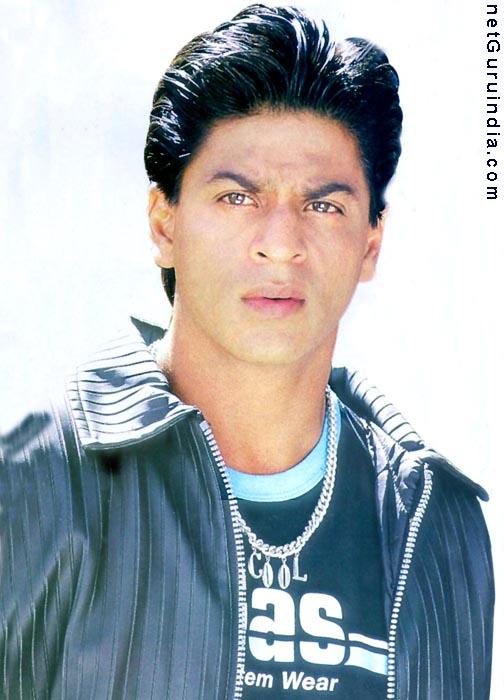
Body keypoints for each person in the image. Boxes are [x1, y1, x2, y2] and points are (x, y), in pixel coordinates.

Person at [0, 4, 494, 699]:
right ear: (164, 224)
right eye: (237, 198)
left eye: (323, 206)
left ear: (371, 244)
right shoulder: (36, 483)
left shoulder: (436, 522)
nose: (281, 244)